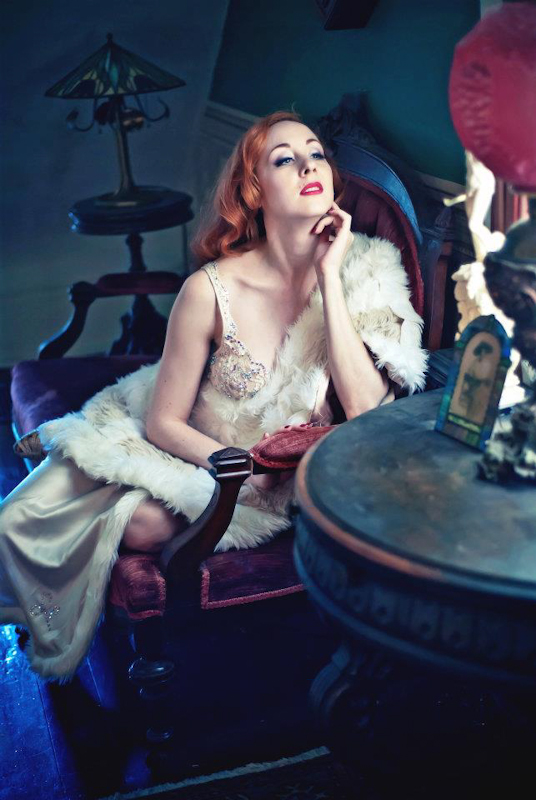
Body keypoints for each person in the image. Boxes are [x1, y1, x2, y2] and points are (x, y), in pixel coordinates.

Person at [0, 110, 427, 680]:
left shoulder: (369, 269)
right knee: (25, 516)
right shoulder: (209, 289)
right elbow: (165, 422)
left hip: (278, 483)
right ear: (254, 190)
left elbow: (366, 407)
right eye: (284, 159)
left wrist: (330, 279)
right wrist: (233, 464)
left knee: (142, 524)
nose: (309, 167)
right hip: (201, 451)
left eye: (316, 154)